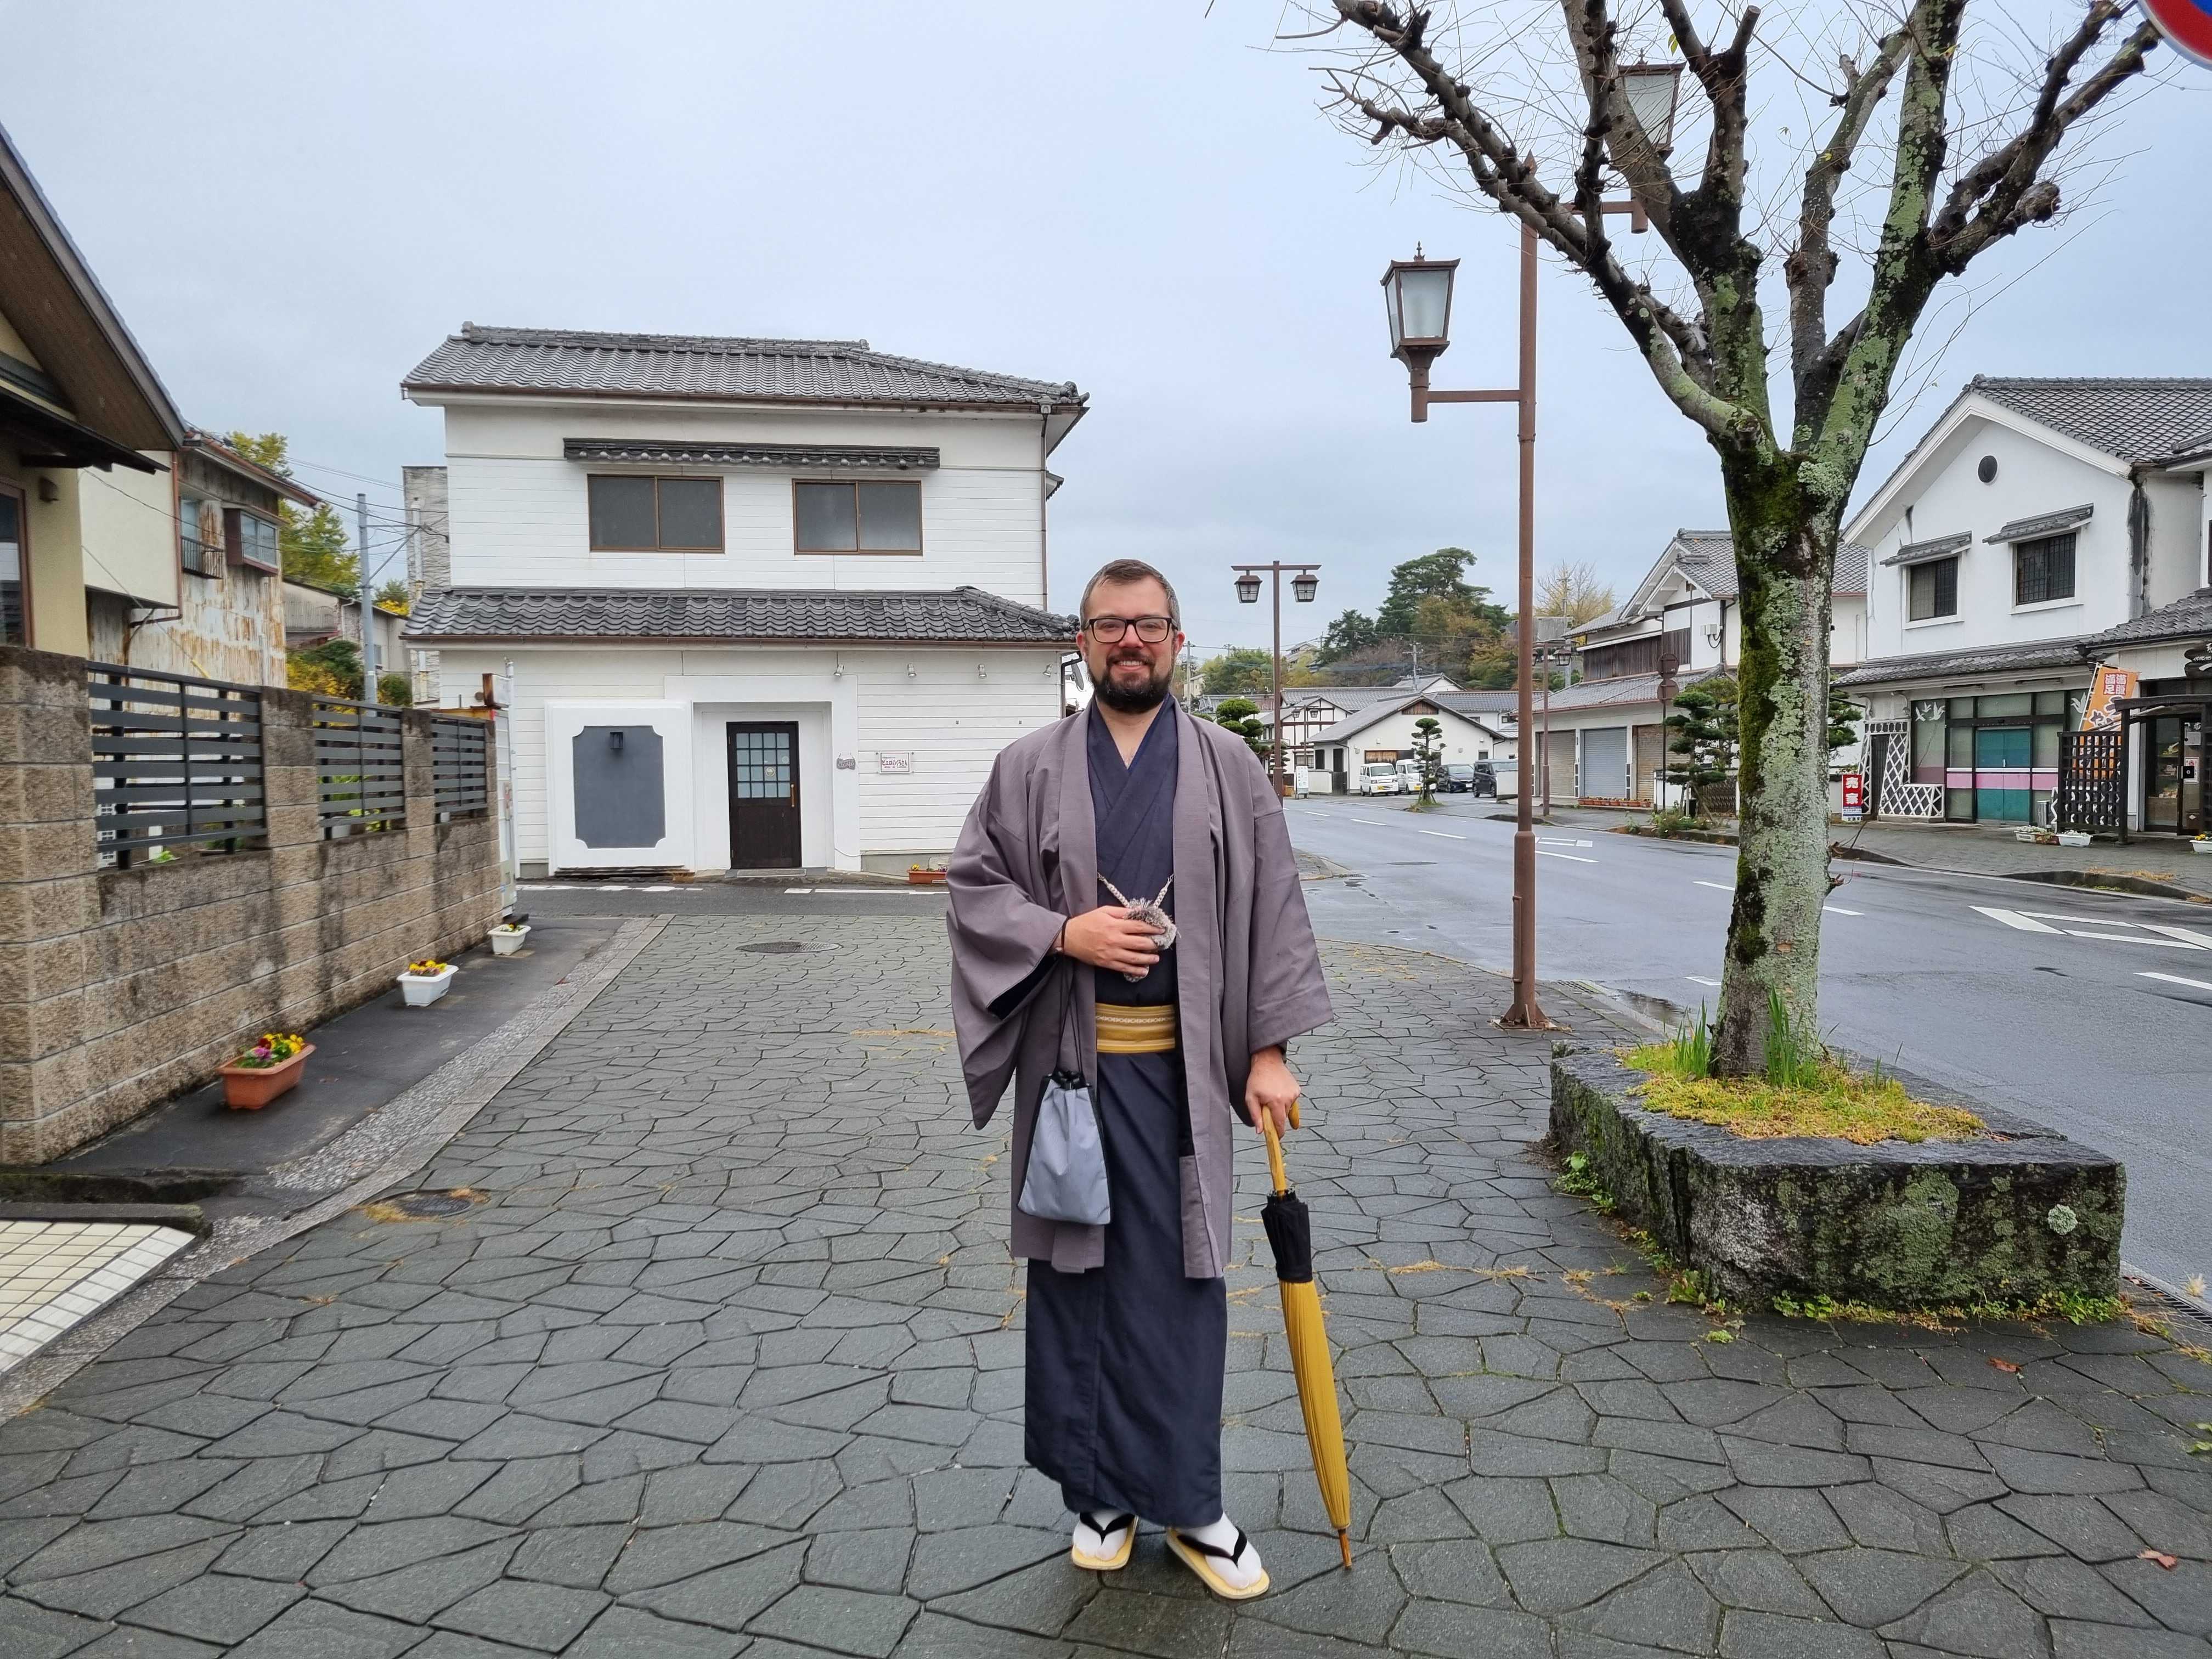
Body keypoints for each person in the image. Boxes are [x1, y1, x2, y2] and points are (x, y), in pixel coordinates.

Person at [947, 557, 1332, 1600]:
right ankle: (1100, 1494)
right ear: (1081, 642)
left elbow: (1276, 904)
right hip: (1073, 1076)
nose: (1129, 641)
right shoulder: (1027, 765)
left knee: (1184, 1283)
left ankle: (1194, 1506)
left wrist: (1268, 1048)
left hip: (1184, 1079)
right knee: (1077, 1280)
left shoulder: (1228, 765)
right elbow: (974, 889)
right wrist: (1064, 931)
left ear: (1176, 641)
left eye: (1149, 625)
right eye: (1109, 625)